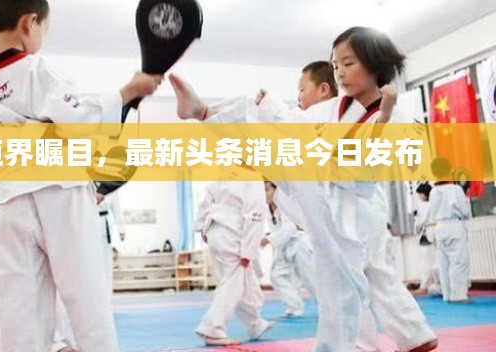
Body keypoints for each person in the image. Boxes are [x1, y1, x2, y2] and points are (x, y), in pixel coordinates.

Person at [169, 26, 437, 352]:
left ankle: (354, 345)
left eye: (348, 63)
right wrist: (270, 108)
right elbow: (295, 123)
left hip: (352, 202)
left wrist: (384, 118)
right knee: (365, 275)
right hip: (322, 189)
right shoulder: (333, 107)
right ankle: (413, 335)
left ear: (374, 64)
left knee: (343, 281)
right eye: (335, 65)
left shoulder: (397, 113)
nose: (340, 72)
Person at [0, 0, 161, 352]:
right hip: (60, 188)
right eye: (44, 30)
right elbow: (81, 123)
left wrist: (30, 134)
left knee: (12, 315)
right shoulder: (37, 71)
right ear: (30, 23)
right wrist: (129, 91)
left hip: (6, 200)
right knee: (86, 301)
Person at [194, 168, 273, 346]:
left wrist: (202, 227)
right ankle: (213, 328)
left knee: (246, 282)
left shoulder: (223, 172)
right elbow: (254, 215)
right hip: (234, 235)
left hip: (216, 231)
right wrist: (248, 250)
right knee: (233, 283)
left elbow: (206, 201)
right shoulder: (252, 177)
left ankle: (254, 325)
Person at [261, 181, 316, 318]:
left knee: (311, 280)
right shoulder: (268, 208)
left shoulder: (284, 201)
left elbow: (290, 228)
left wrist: (268, 239)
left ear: (276, 189)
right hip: (284, 246)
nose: (264, 194)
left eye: (267, 190)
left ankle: (329, 308)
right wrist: (269, 238)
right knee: (277, 275)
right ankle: (294, 307)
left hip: (299, 244)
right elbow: (278, 231)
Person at [429, 160, 472, 303]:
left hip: (439, 227)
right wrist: (466, 199)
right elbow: (465, 211)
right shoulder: (455, 189)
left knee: (444, 264)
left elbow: (432, 213)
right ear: (449, 171)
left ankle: (447, 295)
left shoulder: (433, 191)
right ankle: (458, 296)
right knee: (458, 262)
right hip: (454, 226)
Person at [413, 183, 442, 296]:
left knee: (425, 261)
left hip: (428, 233)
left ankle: (424, 286)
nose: (419, 197)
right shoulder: (434, 204)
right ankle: (436, 283)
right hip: (436, 231)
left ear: (423, 194)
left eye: (419, 194)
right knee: (436, 259)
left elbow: (421, 221)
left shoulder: (424, 205)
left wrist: (416, 225)